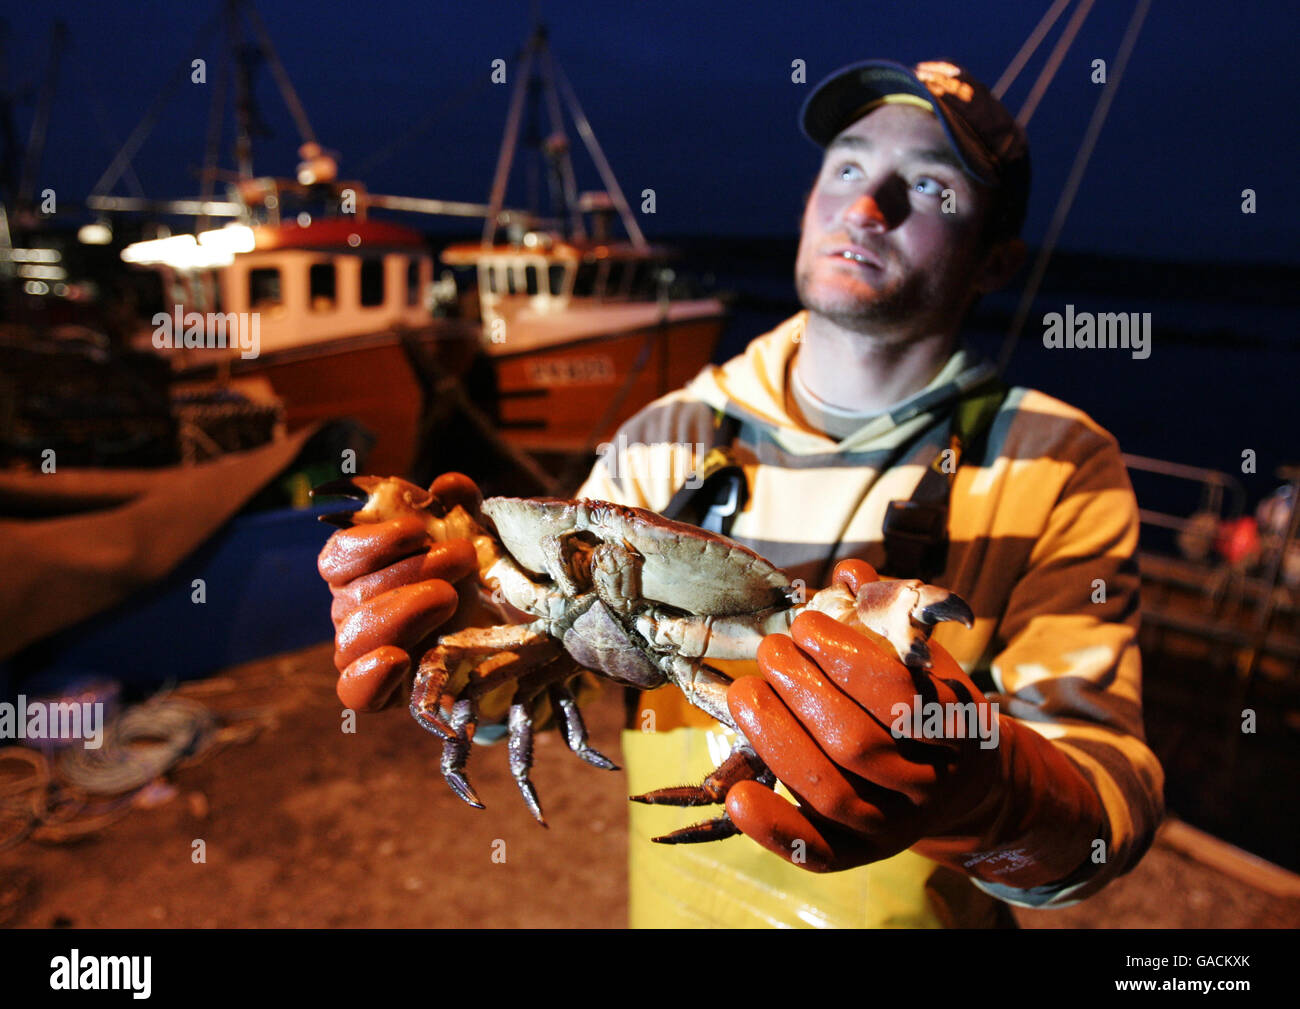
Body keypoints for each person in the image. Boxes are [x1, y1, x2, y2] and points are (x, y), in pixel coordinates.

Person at [318, 59, 1165, 929]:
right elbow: (538, 680)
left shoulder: (1057, 462)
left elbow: (1109, 802)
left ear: (996, 259)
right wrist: (448, 627)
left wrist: (995, 797)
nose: (866, 208)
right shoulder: (664, 433)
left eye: (928, 186)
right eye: (846, 166)